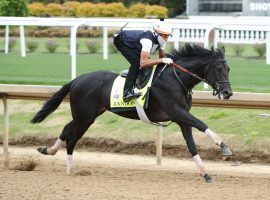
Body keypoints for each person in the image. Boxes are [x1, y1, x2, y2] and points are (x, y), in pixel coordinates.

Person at [113, 20, 173, 102]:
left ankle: (138, 85)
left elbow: (161, 57)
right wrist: (162, 60)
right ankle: (126, 92)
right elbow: (143, 63)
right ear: (157, 33)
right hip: (121, 41)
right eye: (165, 36)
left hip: (135, 43)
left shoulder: (161, 39)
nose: (166, 39)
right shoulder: (147, 40)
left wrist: (165, 62)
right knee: (136, 63)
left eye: (168, 36)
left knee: (148, 63)